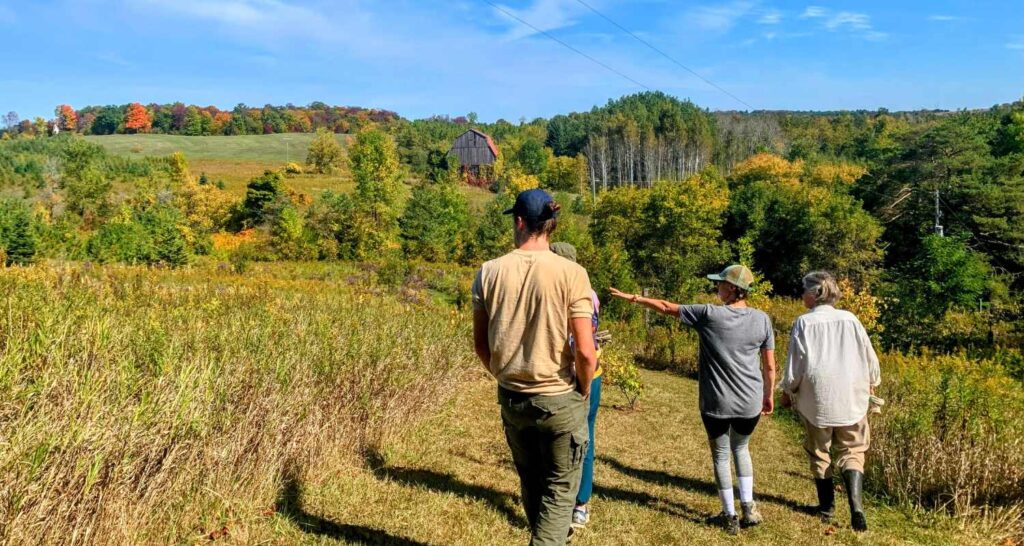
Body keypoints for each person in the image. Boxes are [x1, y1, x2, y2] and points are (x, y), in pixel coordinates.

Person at [609, 264, 775, 536]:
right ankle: (748, 508)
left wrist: (635, 298)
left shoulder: (708, 314)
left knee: (721, 455)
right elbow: (769, 366)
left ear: (732, 289)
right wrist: (768, 395)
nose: (716, 287)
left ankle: (729, 516)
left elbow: (665, 307)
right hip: (750, 402)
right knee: (741, 449)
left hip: (718, 403)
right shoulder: (762, 320)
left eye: (720, 283)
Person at [472, 189, 598, 546]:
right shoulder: (572, 274)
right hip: (559, 397)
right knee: (560, 491)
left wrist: (503, 375)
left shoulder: (488, 272)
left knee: (531, 482)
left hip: (512, 397)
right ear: (551, 225)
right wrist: (584, 389)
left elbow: (481, 345)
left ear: (519, 222)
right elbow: (586, 352)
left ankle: (551, 537)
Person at [779, 271, 881, 532]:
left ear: (815, 294)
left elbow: (796, 364)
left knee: (820, 451)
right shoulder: (851, 320)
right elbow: (869, 357)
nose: (801, 295)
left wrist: (788, 390)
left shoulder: (804, 322)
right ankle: (856, 506)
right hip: (851, 395)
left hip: (818, 398)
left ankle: (826, 508)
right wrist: (871, 381)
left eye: (803, 290)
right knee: (853, 451)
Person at [548, 242, 602, 530]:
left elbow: (579, 345)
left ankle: (575, 503)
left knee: (573, 440)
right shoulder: (589, 292)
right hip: (589, 373)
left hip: (574, 375)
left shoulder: (567, 292)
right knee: (582, 439)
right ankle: (575, 503)